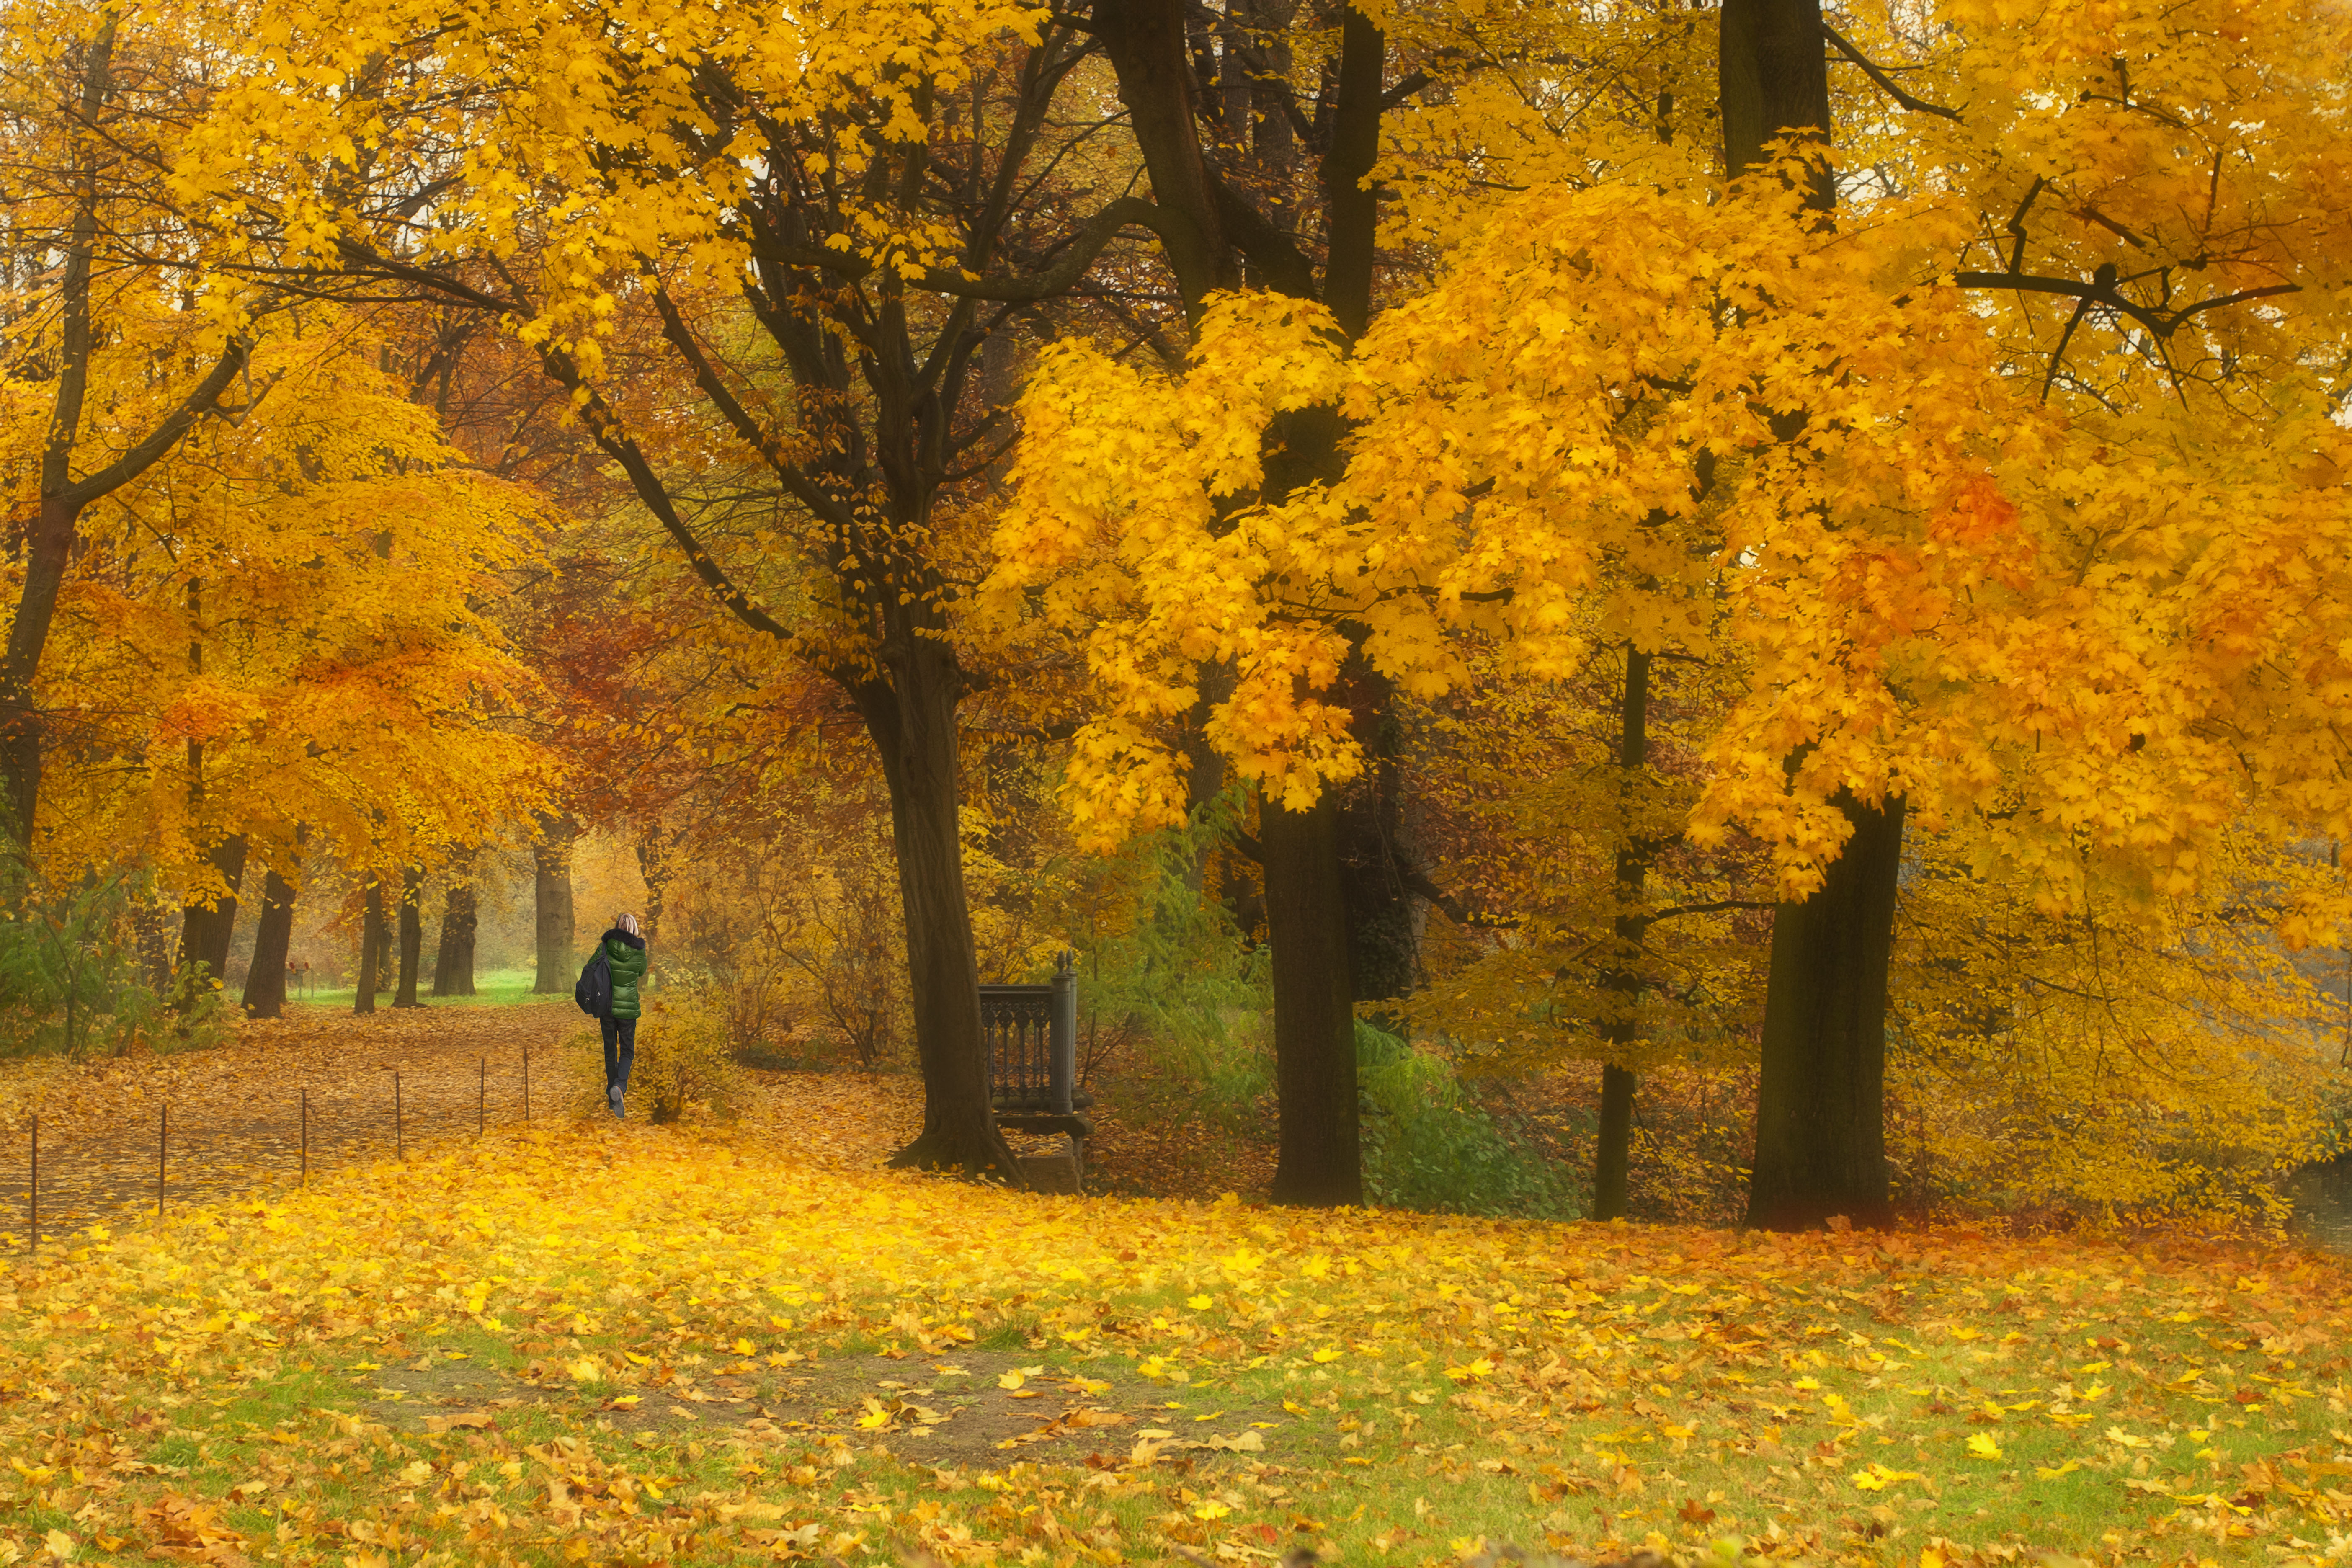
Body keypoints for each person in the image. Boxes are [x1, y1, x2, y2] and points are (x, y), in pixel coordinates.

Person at [597, 913, 650, 1117]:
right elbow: (642, 972)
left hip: (608, 1007)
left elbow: (593, 964)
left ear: (617, 927)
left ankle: (613, 1101)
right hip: (628, 1010)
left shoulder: (607, 945)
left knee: (610, 1051)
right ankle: (619, 1087)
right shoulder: (639, 951)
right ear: (635, 929)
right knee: (627, 1051)